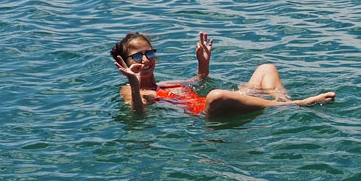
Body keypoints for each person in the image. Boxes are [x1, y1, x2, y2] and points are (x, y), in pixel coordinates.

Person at [110, 31, 335, 117]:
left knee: (266, 68)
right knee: (216, 95)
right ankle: (296, 104)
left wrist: (203, 63)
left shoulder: (164, 85)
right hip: (207, 116)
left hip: (221, 102)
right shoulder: (130, 90)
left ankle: (280, 101)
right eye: (137, 57)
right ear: (124, 64)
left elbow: (199, 81)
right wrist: (132, 81)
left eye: (149, 53)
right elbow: (137, 115)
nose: (146, 60)